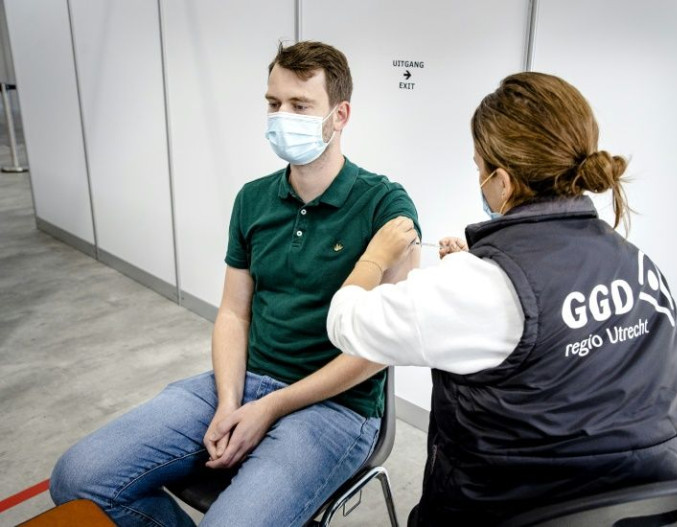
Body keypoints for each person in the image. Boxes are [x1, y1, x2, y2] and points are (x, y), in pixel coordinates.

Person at [49, 41, 420, 527]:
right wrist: (230, 401)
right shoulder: (253, 200)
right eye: (273, 103)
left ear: (340, 115)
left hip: (337, 408)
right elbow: (233, 313)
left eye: (300, 105)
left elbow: (379, 349)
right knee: (78, 478)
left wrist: (270, 407)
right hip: (244, 381)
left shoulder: (386, 207)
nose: (281, 116)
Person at [327, 72, 677, 526]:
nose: (479, 178)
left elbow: (346, 322)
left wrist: (373, 258)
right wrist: (479, 272)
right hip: (643, 511)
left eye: (479, 166)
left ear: (501, 180)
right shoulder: (637, 264)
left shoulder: (483, 286)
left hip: (510, 514)